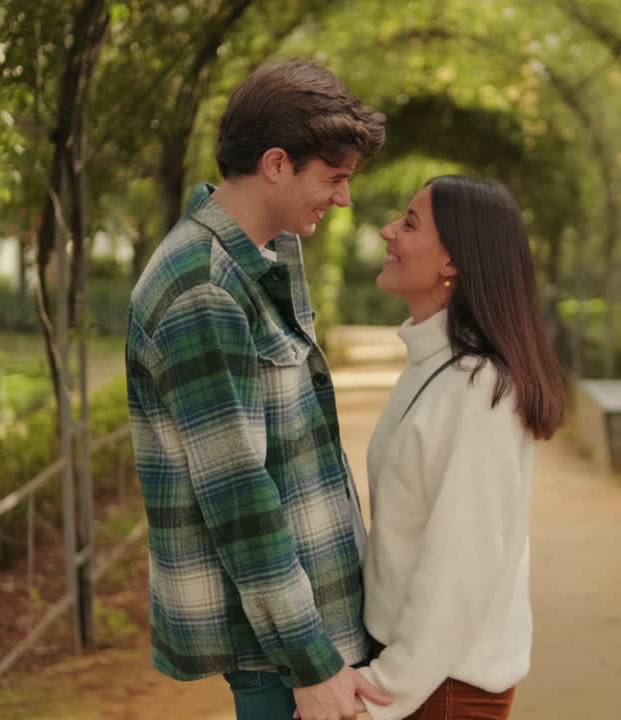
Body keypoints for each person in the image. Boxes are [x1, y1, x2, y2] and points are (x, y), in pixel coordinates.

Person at [125, 60, 393, 720]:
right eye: (333, 179)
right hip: (283, 655)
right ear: (277, 163)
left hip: (307, 632)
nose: (343, 199)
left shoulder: (258, 259)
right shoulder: (204, 290)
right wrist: (312, 661)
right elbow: (239, 497)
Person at [358, 176, 567, 720]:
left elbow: (461, 565)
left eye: (409, 223)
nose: (387, 232)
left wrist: (385, 689)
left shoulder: (480, 390)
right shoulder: (435, 365)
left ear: (453, 260)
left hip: (443, 689)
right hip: (419, 673)